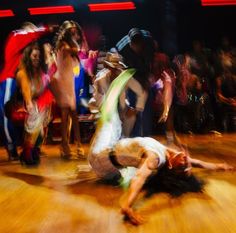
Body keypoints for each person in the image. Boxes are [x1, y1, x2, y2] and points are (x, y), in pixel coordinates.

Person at [88, 72, 234, 225]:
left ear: (171, 165)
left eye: (183, 165)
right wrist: (220, 166)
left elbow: (140, 178)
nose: (186, 160)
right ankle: (114, 81)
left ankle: (113, 78)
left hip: (100, 158)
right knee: (117, 123)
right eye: (187, 163)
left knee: (112, 119)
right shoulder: (171, 155)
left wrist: (127, 205)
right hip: (110, 164)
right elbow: (198, 163)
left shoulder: (155, 158)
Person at [0, 22, 54, 160]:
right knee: (6, 116)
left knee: (34, 115)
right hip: (9, 80)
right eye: (31, 33)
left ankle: (30, 147)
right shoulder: (17, 36)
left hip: (22, 85)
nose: (33, 37)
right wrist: (45, 29)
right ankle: (12, 148)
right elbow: (28, 35)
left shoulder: (29, 53)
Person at [50, 20, 84, 159]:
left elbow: (75, 65)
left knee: (73, 115)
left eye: (75, 31)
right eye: (72, 31)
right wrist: (76, 40)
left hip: (68, 81)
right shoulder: (64, 45)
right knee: (67, 114)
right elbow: (78, 49)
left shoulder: (69, 45)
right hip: (61, 82)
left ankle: (73, 144)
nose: (74, 33)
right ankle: (68, 145)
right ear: (66, 32)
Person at [15, 42, 52, 165]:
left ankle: (32, 151)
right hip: (24, 105)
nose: (37, 59)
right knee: (33, 129)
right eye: (34, 56)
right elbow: (26, 90)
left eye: (38, 56)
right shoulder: (23, 73)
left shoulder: (40, 72)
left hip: (39, 104)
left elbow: (44, 89)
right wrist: (29, 103)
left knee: (40, 133)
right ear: (28, 56)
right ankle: (27, 153)